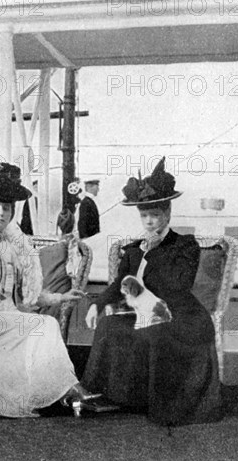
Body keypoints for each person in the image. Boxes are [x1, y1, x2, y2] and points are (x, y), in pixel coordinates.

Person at [0, 163, 100, 418]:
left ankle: (62, 392)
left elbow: (26, 295)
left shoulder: (14, 245)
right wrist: (2, 315)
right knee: (40, 325)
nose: (1, 213)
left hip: (5, 319)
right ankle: (69, 391)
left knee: (44, 324)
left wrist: (59, 297)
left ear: (12, 213)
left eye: (6, 208)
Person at [82, 157, 222, 426]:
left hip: (183, 317)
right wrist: (97, 305)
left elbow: (178, 286)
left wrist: (155, 252)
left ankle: (160, 403)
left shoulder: (184, 246)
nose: (148, 221)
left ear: (167, 214)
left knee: (155, 334)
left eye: (155, 215)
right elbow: (118, 282)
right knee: (110, 324)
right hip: (146, 313)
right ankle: (109, 396)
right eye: (144, 215)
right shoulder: (135, 249)